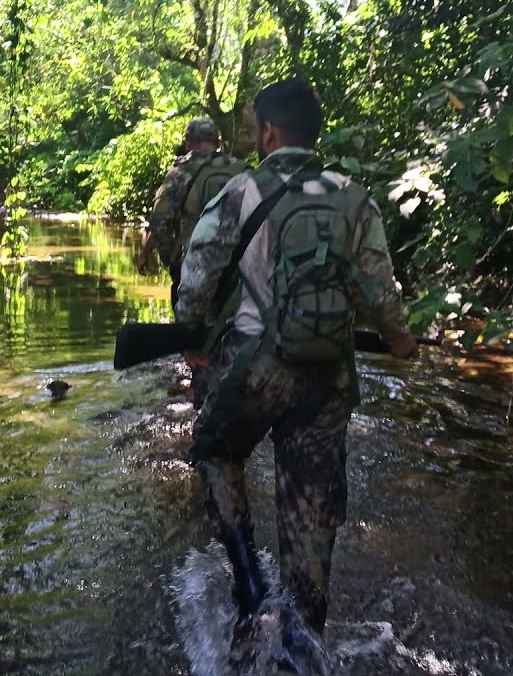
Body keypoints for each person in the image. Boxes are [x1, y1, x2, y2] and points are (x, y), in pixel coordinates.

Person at [174, 77, 418, 654]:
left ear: (268, 132)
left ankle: (249, 580)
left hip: (258, 369)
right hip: (327, 379)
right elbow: (382, 292)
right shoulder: (354, 196)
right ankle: (303, 640)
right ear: (314, 134)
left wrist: (192, 336)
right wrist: (400, 340)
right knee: (311, 507)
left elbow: (199, 272)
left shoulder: (241, 190)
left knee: (215, 449)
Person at [137, 118, 246, 311]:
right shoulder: (241, 169)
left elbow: (159, 222)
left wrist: (172, 261)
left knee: (188, 331)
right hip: (238, 266)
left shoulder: (181, 172)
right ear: (218, 143)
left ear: (187, 142)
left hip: (194, 266)